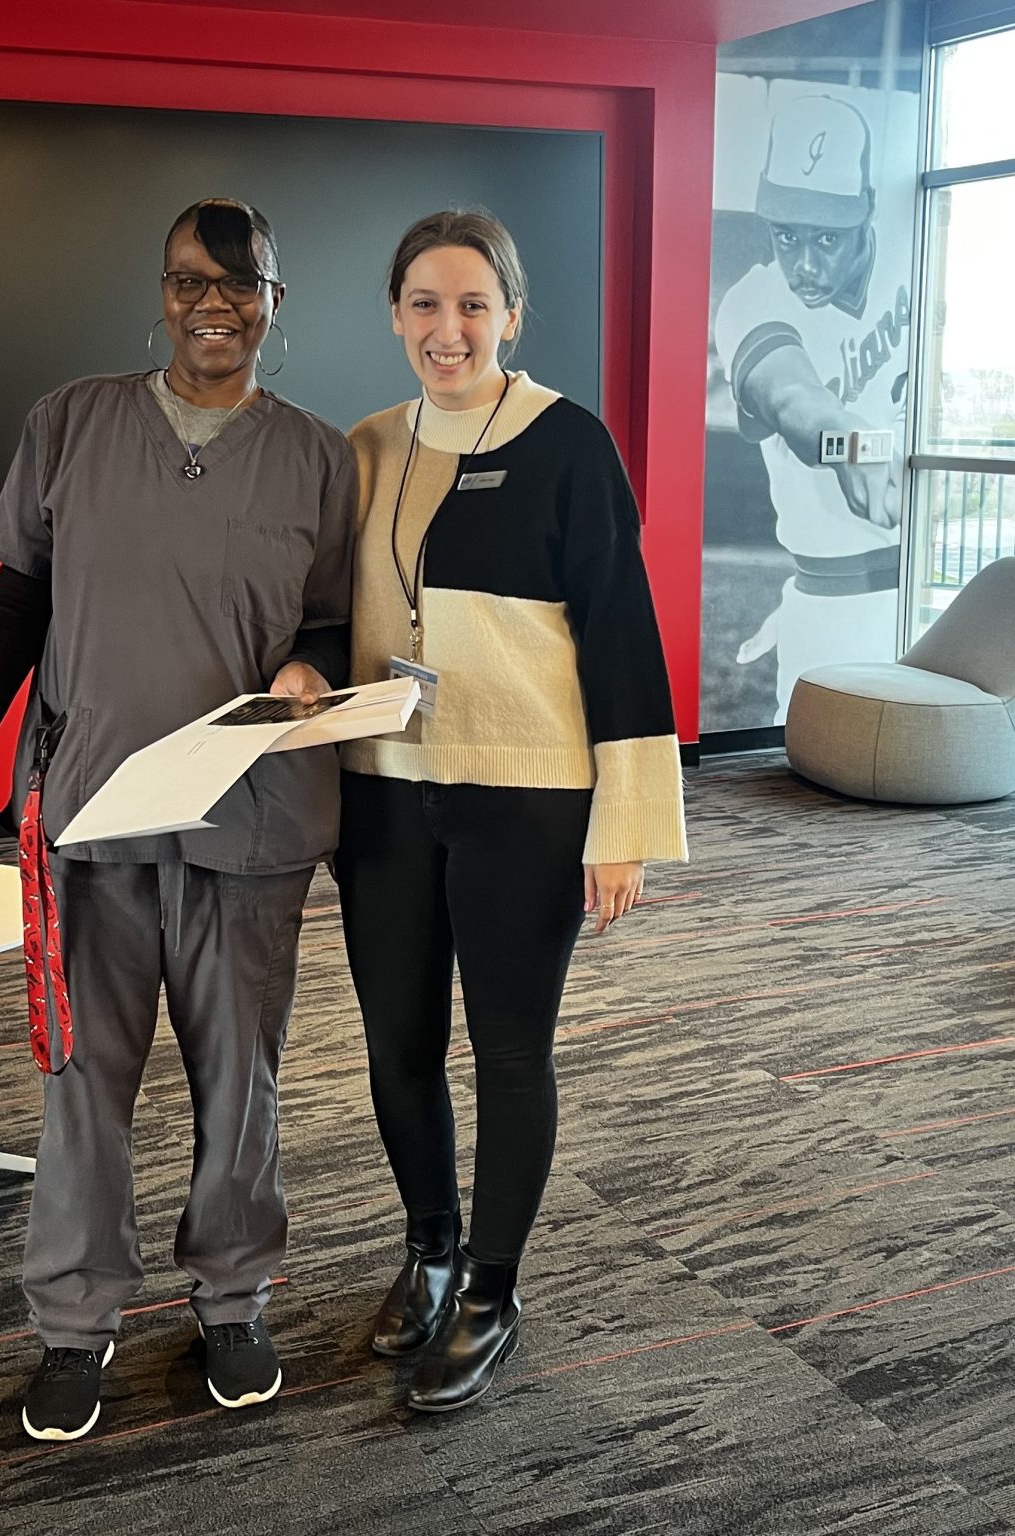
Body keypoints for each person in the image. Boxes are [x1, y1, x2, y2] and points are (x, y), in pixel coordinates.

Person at [0, 199, 356, 1444]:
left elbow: (335, 620)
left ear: (274, 303)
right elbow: (14, 608)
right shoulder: (71, 423)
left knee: (240, 1080)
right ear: (163, 290)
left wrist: (310, 664)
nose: (214, 304)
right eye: (192, 280)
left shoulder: (316, 456)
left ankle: (233, 1300)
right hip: (92, 815)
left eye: (240, 285)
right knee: (84, 1081)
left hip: (249, 825)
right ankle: (75, 1323)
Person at [337, 209, 687, 1413]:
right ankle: (430, 1251)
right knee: (396, 1047)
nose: (449, 329)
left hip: (528, 797)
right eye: (426, 304)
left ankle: (491, 1291)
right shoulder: (365, 449)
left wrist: (625, 825)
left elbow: (622, 636)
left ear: (511, 318)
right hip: (384, 791)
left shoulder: (568, 442)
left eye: (473, 305)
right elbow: (330, 614)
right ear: (395, 315)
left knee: (508, 1052)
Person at [714, 92, 909, 724]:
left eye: (827, 237)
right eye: (786, 235)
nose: (803, 263)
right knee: (811, 771)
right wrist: (852, 441)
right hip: (831, 606)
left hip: (935, 588)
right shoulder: (751, 301)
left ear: (867, 209)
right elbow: (792, 396)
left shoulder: (918, 259)